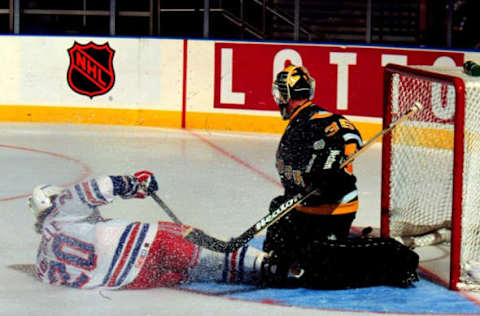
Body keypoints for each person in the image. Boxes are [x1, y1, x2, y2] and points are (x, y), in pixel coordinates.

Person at [30, 171, 419, 290]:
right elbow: (102, 186)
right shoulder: (63, 208)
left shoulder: (44, 258)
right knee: (253, 262)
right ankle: (361, 266)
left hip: (136, 278)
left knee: (217, 268)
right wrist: (137, 182)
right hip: (151, 242)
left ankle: (271, 271)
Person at [264, 62, 363, 257]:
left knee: (314, 266)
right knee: (278, 208)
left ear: (285, 95)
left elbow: (350, 136)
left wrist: (328, 167)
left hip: (332, 212)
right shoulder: (299, 123)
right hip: (304, 209)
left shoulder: (316, 119)